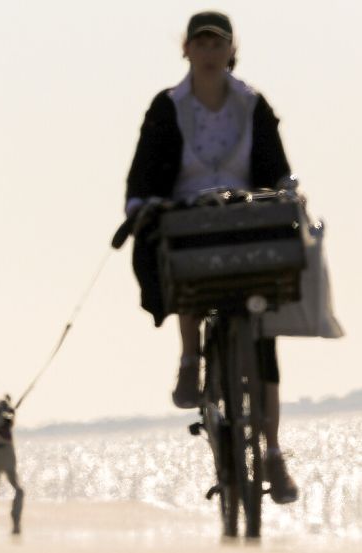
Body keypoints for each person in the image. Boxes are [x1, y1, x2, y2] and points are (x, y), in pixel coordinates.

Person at [125, 11, 298, 503]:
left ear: (230, 49)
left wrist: (286, 192)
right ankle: (190, 358)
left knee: (264, 345)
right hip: (188, 215)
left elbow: (276, 163)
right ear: (186, 49)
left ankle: (273, 452)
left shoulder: (251, 103)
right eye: (199, 42)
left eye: (216, 43)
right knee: (182, 266)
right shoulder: (169, 105)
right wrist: (140, 205)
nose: (207, 51)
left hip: (246, 221)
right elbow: (143, 167)